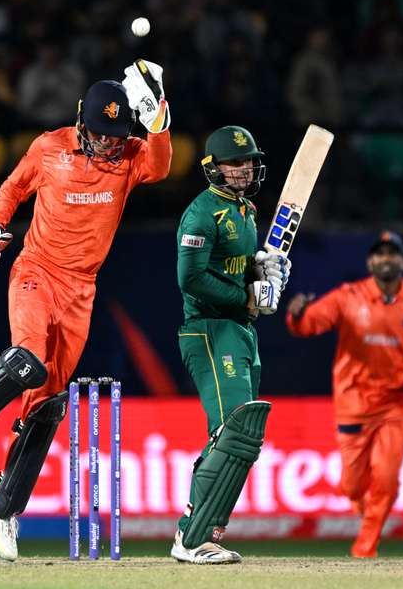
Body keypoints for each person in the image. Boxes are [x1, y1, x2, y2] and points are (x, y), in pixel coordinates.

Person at [0, 60, 172, 561]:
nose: (108, 145)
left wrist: (158, 115)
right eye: (100, 135)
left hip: (81, 291)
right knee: (26, 360)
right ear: (82, 122)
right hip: (35, 271)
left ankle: (2, 507)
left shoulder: (130, 155)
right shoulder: (49, 146)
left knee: (48, 404)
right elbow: (14, 188)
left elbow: (163, 166)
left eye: (115, 135)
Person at [285, 231, 403, 558]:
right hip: (353, 404)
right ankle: (369, 501)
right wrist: (298, 315)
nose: (386, 259)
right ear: (369, 261)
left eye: (392, 254)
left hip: (397, 404)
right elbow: (310, 325)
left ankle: (365, 549)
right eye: (380, 254)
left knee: (386, 478)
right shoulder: (349, 297)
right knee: (352, 486)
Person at [172, 125, 290, 564]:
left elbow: (237, 270)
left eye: (248, 162)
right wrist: (246, 295)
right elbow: (191, 278)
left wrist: (262, 274)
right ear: (213, 168)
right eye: (234, 163)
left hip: (240, 329)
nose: (243, 170)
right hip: (207, 329)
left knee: (237, 438)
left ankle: (197, 531)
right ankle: (192, 539)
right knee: (237, 430)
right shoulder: (202, 214)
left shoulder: (246, 210)